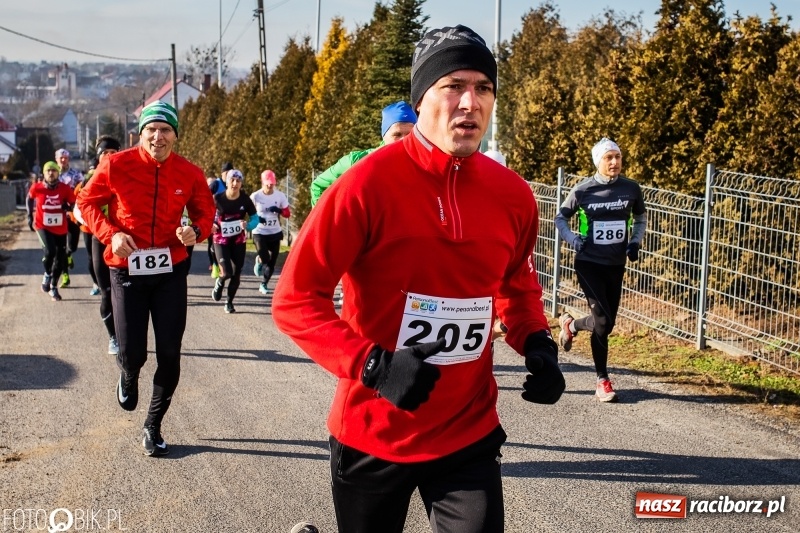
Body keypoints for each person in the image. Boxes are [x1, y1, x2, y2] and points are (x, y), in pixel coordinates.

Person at [273, 24, 565, 532]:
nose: (470, 102)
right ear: (421, 98)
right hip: (373, 430)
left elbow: (515, 284)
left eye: (484, 88)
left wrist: (534, 339)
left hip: (467, 432)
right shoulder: (365, 185)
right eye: (453, 86)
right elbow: (296, 299)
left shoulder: (513, 195)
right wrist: (374, 367)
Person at [77, 100, 215, 456]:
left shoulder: (189, 172)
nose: (158, 137)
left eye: (166, 130)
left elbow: (205, 211)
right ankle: (128, 372)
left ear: (175, 136)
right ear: (140, 134)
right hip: (125, 272)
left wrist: (196, 230)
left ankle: (152, 425)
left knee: (170, 353)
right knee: (132, 351)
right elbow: (86, 203)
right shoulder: (116, 164)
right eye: (151, 130)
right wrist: (112, 235)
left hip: (170, 270)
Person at [554, 137, 647, 403]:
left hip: (615, 265)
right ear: (599, 161)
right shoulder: (583, 190)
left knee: (607, 323)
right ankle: (602, 380)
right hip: (588, 263)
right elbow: (561, 217)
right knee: (603, 323)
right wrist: (573, 240)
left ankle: (571, 324)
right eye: (609, 158)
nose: (615, 162)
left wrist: (634, 242)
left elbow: (640, 217)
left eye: (618, 156)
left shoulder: (631, 189)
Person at [309, 101, 417, 207]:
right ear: (384, 136)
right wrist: (329, 222)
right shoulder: (356, 161)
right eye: (397, 134)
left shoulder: (421, 165)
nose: (403, 139)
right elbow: (318, 186)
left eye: (409, 134)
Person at [73, 136, 122, 354]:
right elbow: (77, 211)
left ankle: (129, 334)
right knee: (106, 292)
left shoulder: (129, 176)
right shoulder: (88, 181)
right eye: (105, 152)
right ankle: (113, 337)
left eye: (113, 151)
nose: (109, 156)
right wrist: (99, 224)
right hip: (100, 241)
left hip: (126, 243)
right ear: (99, 156)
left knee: (128, 294)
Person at [211, 169, 259, 313]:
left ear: (241, 183)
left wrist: (248, 225)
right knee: (227, 272)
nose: (235, 183)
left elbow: (255, 218)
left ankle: (229, 302)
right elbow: (206, 214)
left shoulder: (245, 199)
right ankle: (219, 282)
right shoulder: (217, 198)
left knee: (236, 273)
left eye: (238, 181)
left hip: (238, 240)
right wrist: (211, 224)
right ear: (227, 182)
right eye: (232, 180)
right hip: (220, 240)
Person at [29, 161, 75, 302]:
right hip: (42, 225)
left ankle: (53, 286)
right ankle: (47, 274)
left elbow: (73, 203)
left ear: (58, 173)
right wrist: (29, 216)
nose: (51, 173)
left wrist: (67, 207)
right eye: (48, 170)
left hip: (60, 228)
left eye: (53, 170)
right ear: (44, 173)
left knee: (60, 261)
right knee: (50, 252)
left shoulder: (65, 188)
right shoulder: (37, 187)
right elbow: (29, 199)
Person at [250, 170, 291, 294]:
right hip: (259, 232)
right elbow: (248, 213)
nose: (270, 186)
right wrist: (257, 218)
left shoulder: (280, 196)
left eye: (272, 184)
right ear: (262, 183)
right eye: (267, 184)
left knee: (272, 261)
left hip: (274, 232)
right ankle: (260, 260)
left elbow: (287, 214)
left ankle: (264, 284)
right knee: (265, 257)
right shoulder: (255, 196)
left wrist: (279, 210)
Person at [55, 148, 84, 288]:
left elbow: (84, 190)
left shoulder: (76, 174)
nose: (63, 160)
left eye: (65, 157)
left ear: (68, 159)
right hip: (58, 214)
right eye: (60, 158)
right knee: (59, 248)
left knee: (72, 245)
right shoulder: (53, 175)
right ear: (56, 159)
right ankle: (65, 275)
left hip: (73, 213)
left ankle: (69, 254)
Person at [206, 163, 230, 277]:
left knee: (227, 244)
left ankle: (224, 264)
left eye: (230, 173)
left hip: (228, 220)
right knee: (212, 243)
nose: (228, 175)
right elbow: (205, 196)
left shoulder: (233, 184)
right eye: (226, 173)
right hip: (214, 218)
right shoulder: (216, 184)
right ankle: (215, 265)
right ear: (222, 173)